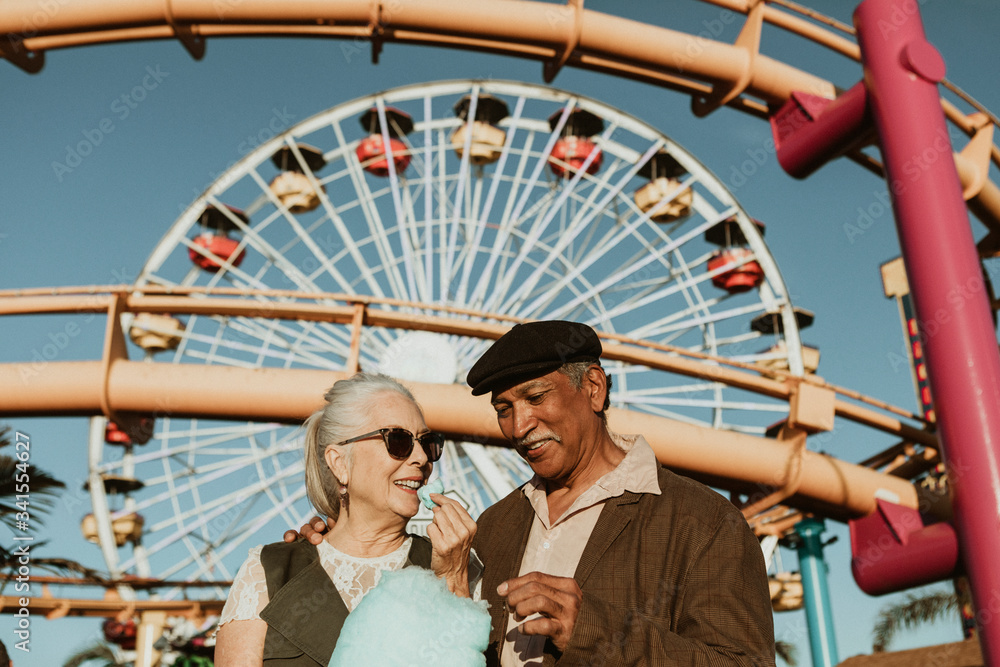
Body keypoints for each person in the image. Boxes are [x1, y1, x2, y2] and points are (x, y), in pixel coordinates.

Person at [292, 321, 776, 666]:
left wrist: (592, 630)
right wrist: (334, 549)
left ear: (594, 388)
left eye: (535, 398)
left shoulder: (701, 521)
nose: (519, 426)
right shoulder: (494, 527)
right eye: (504, 408)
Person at [215, 372, 478, 666]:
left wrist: (452, 582)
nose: (421, 457)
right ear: (340, 463)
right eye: (398, 440)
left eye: (428, 442)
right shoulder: (267, 573)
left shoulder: (462, 566)